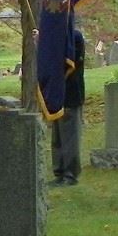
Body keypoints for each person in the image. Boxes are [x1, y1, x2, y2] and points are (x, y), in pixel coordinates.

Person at [50, 24, 85, 186]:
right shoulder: (53, 36)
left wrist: (46, 44)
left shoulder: (74, 36)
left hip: (70, 92)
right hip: (55, 93)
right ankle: (59, 171)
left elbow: (67, 62)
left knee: (69, 136)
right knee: (57, 136)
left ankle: (71, 174)